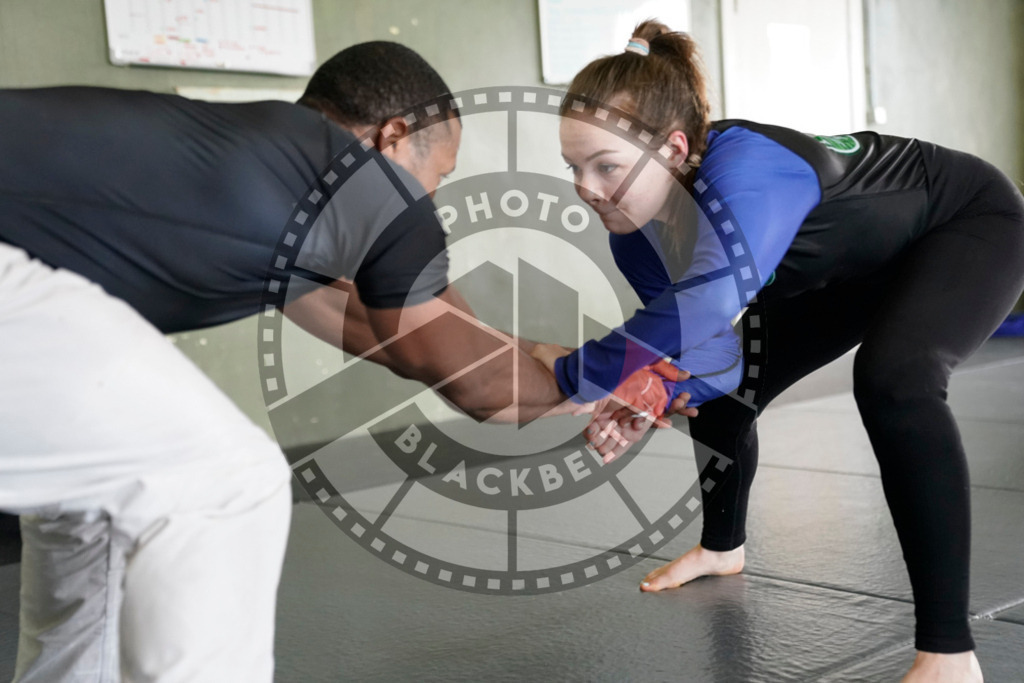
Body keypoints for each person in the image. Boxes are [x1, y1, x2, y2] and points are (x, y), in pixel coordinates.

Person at [0, 40, 610, 682]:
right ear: (393, 139)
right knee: (226, 482)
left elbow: (404, 339)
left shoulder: (277, 172)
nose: (433, 198)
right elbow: (472, 382)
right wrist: (590, 382)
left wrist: (541, 355)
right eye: (442, 174)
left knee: (102, 501)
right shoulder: (366, 186)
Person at [531, 20, 1024, 683]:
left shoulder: (749, 169)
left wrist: (573, 375)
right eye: (574, 167)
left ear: (674, 149)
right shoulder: (634, 235)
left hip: (964, 223)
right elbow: (712, 356)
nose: (585, 188)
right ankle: (721, 547)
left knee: (894, 379)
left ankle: (949, 654)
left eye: (606, 166)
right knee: (730, 398)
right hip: (852, 270)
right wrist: (652, 387)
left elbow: (705, 305)